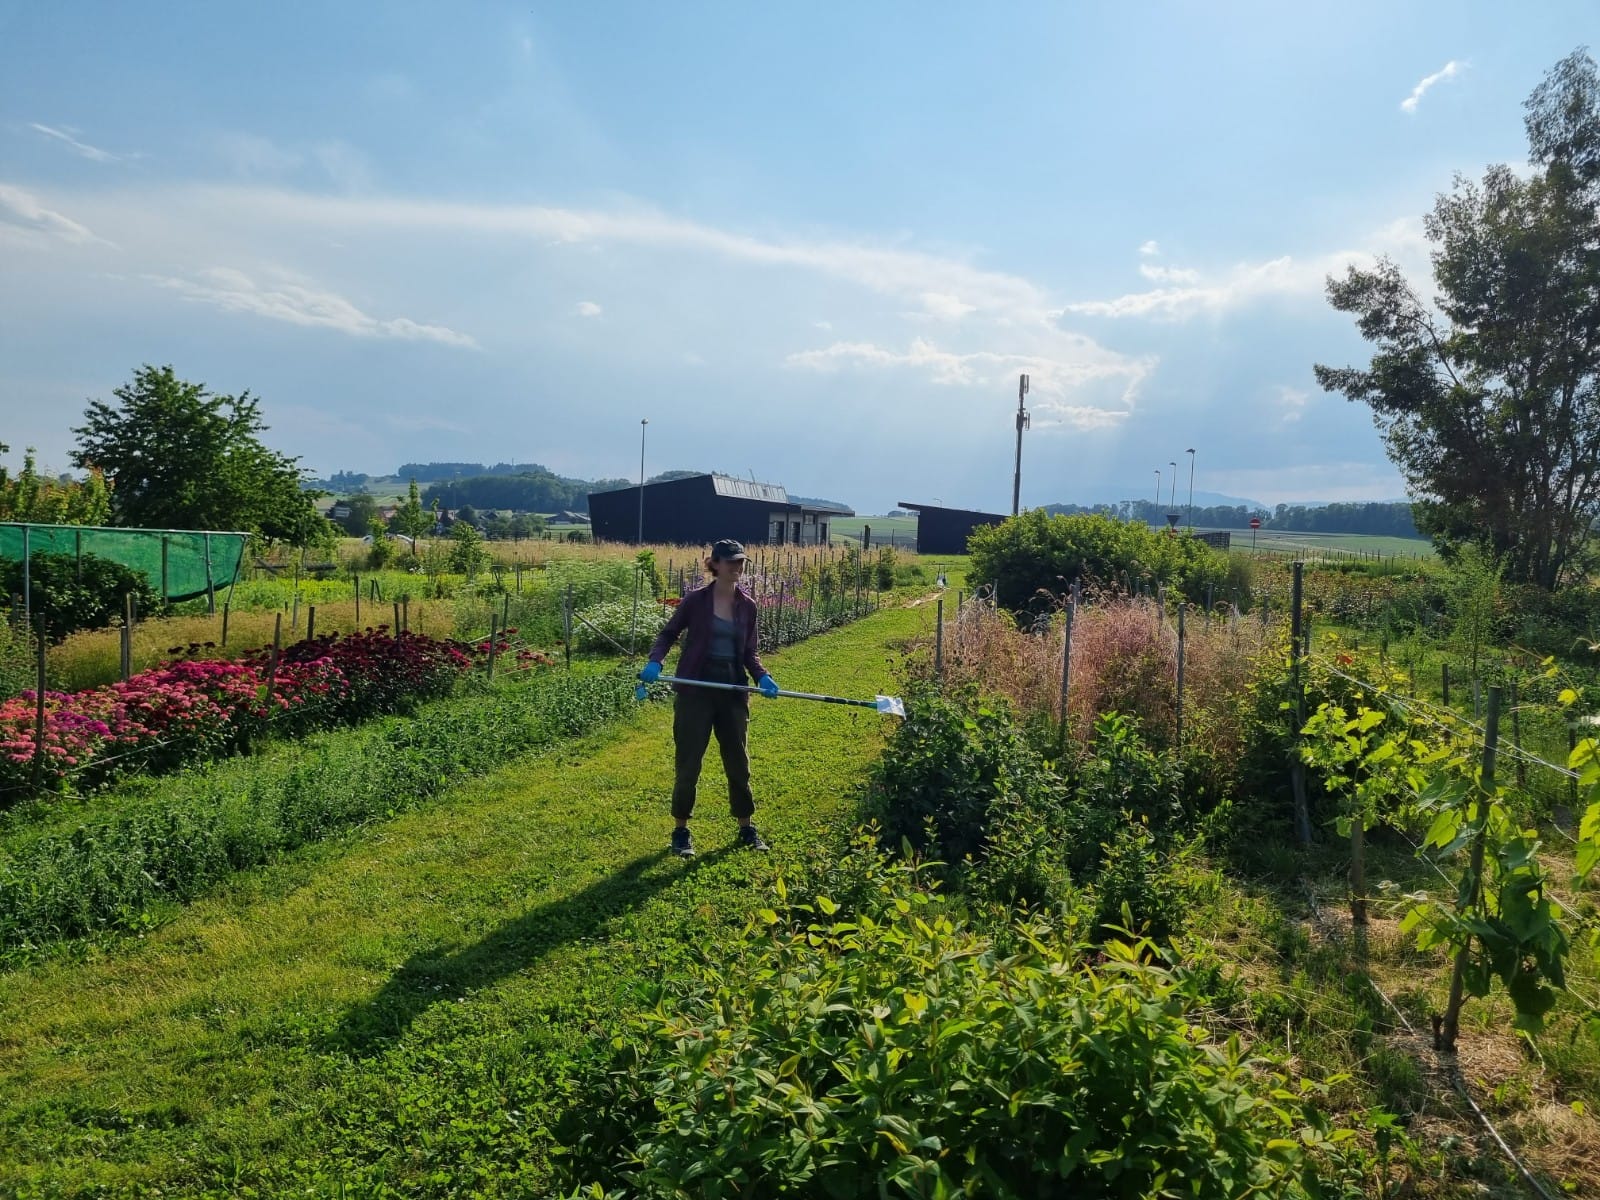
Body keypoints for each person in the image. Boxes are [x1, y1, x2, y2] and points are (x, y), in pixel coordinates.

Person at [638, 538, 778, 857]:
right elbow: (668, 634)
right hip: (695, 691)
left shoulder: (748, 606)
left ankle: (746, 827)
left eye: (741, 561)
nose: (737, 567)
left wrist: (762, 675)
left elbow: (749, 652)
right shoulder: (695, 601)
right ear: (714, 563)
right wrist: (655, 660)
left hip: (731, 691)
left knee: (738, 763)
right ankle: (680, 831)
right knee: (688, 763)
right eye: (731, 561)